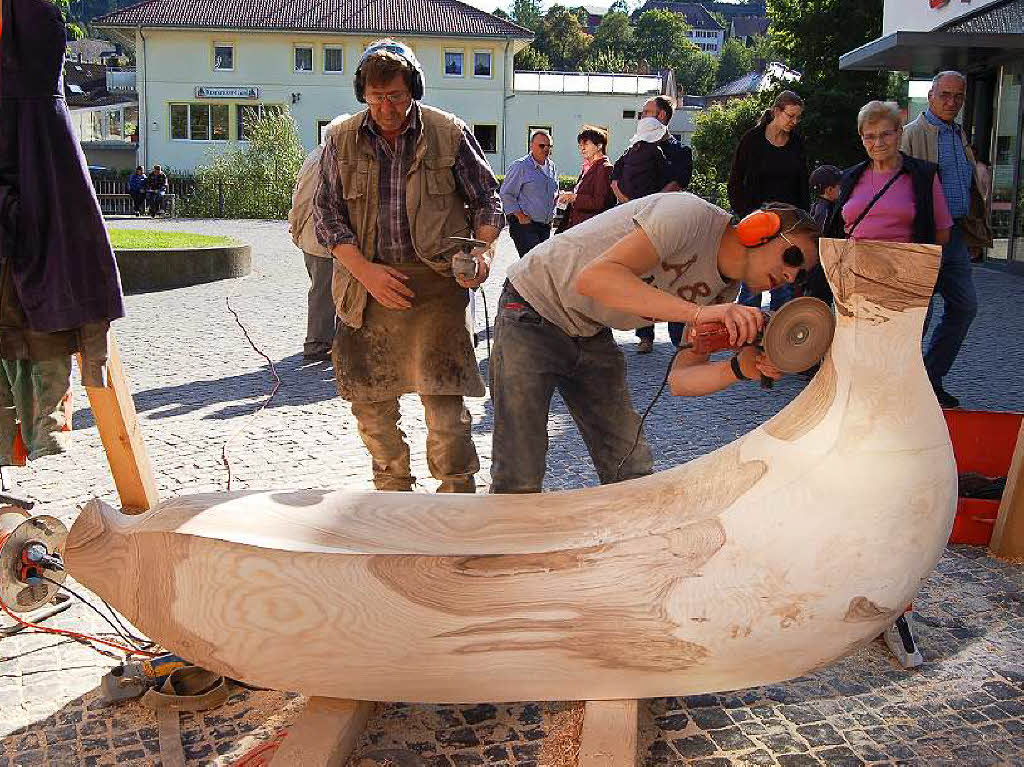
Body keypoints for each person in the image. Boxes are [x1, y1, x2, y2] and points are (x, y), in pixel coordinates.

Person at [489, 193, 819, 493]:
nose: (791, 276)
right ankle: (502, 555)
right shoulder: (688, 216)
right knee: (519, 471)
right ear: (760, 228)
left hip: (589, 329)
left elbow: (680, 380)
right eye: (792, 257)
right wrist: (699, 313)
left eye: (801, 274)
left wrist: (739, 368)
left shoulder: (725, 292)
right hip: (532, 306)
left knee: (630, 467)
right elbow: (594, 279)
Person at [313, 39, 502, 494]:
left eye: (396, 96)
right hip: (367, 287)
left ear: (413, 89)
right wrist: (367, 272)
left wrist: (482, 254)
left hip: (437, 289)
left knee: (445, 412)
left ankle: (455, 500)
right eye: (376, 98)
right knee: (372, 409)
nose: (387, 107)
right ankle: (393, 496)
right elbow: (327, 218)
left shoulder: (449, 132)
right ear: (363, 94)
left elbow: (488, 203)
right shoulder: (340, 140)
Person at [828, 100, 954, 671]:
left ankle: (894, 598)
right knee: (852, 426)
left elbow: (941, 241)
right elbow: (834, 235)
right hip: (853, 312)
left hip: (900, 315)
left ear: (900, 132)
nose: (877, 143)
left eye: (886, 134)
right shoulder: (853, 178)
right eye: (869, 136)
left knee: (891, 431)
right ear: (861, 139)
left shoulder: (922, 177)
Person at [902, 71, 992, 409]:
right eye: (946, 95)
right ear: (931, 95)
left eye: (958, 96)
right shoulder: (911, 135)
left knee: (965, 306)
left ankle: (930, 376)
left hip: (954, 235)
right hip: (923, 237)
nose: (952, 102)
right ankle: (904, 384)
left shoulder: (958, 134)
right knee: (918, 315)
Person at [614, 95, 694, 352]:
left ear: (661, 116)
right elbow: (615, 179)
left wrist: (654, 205)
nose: (641, 117)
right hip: (637, 221)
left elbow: (678, 182)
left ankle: (678, 335)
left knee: (673, 278)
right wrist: (633, 204)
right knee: (641, 278)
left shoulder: (679, 151)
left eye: (645, 112)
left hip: (668, 223)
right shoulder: (635, 147)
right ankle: (644, 334)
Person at [728, 90, 809, 310]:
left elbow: (803, 186)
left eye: (798, 117)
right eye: (790, 116)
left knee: (784, 287)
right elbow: (735, 182)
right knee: (753, 286)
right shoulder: (752, 141)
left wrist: (803, 224)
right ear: (776, 112)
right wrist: (745, 215)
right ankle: (746, 340)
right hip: (756, 222)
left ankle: (778, 339)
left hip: (788, 226)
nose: (794, 121)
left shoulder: (797, 144)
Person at [289, 128, 343, 363]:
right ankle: (318, 344)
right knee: (324, 292)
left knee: (331, 291)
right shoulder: (322, 159)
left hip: (317, 240)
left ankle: (332, 341)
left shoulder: (317, 156)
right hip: (321, 241)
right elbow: (303, 200)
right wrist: (298, 228)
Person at [500, 130, 558, 256]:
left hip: (545, 226)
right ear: (531, 146)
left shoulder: (552, 166)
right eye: (542, 146)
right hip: (525, 225)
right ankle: (513, 276)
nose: (546, 149)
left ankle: (513, 277)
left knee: (535, 266)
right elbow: (506, 194)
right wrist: (521, 216)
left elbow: (552, 192)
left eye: (549, 146)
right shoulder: (520, 166)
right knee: (533, 263)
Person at [555, 125, 614, 232]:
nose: (582, 148)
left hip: (590, 230)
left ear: (599, 146)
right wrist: (568, 198)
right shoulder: (587, 167)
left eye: (586, 144)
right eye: (580, 145)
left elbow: (600, 202)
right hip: (577, 227)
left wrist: (574, 198)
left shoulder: (605, 168)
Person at [802, 164, 842, 306]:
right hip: (820, 268)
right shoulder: (824, 211)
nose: (841, 190)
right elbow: (819, 238)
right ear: (829, 190)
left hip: (820, 266)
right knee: (819, 302)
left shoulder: (819, 207)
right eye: (839, 187)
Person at [968, 143, 992, 263]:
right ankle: (973, 252)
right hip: (970, 204)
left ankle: (977, 253)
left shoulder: (981, 169)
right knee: (971, 228)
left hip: (978, 204)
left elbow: (987, 189)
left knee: (978, 229)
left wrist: (984, 204)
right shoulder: (968, 168)